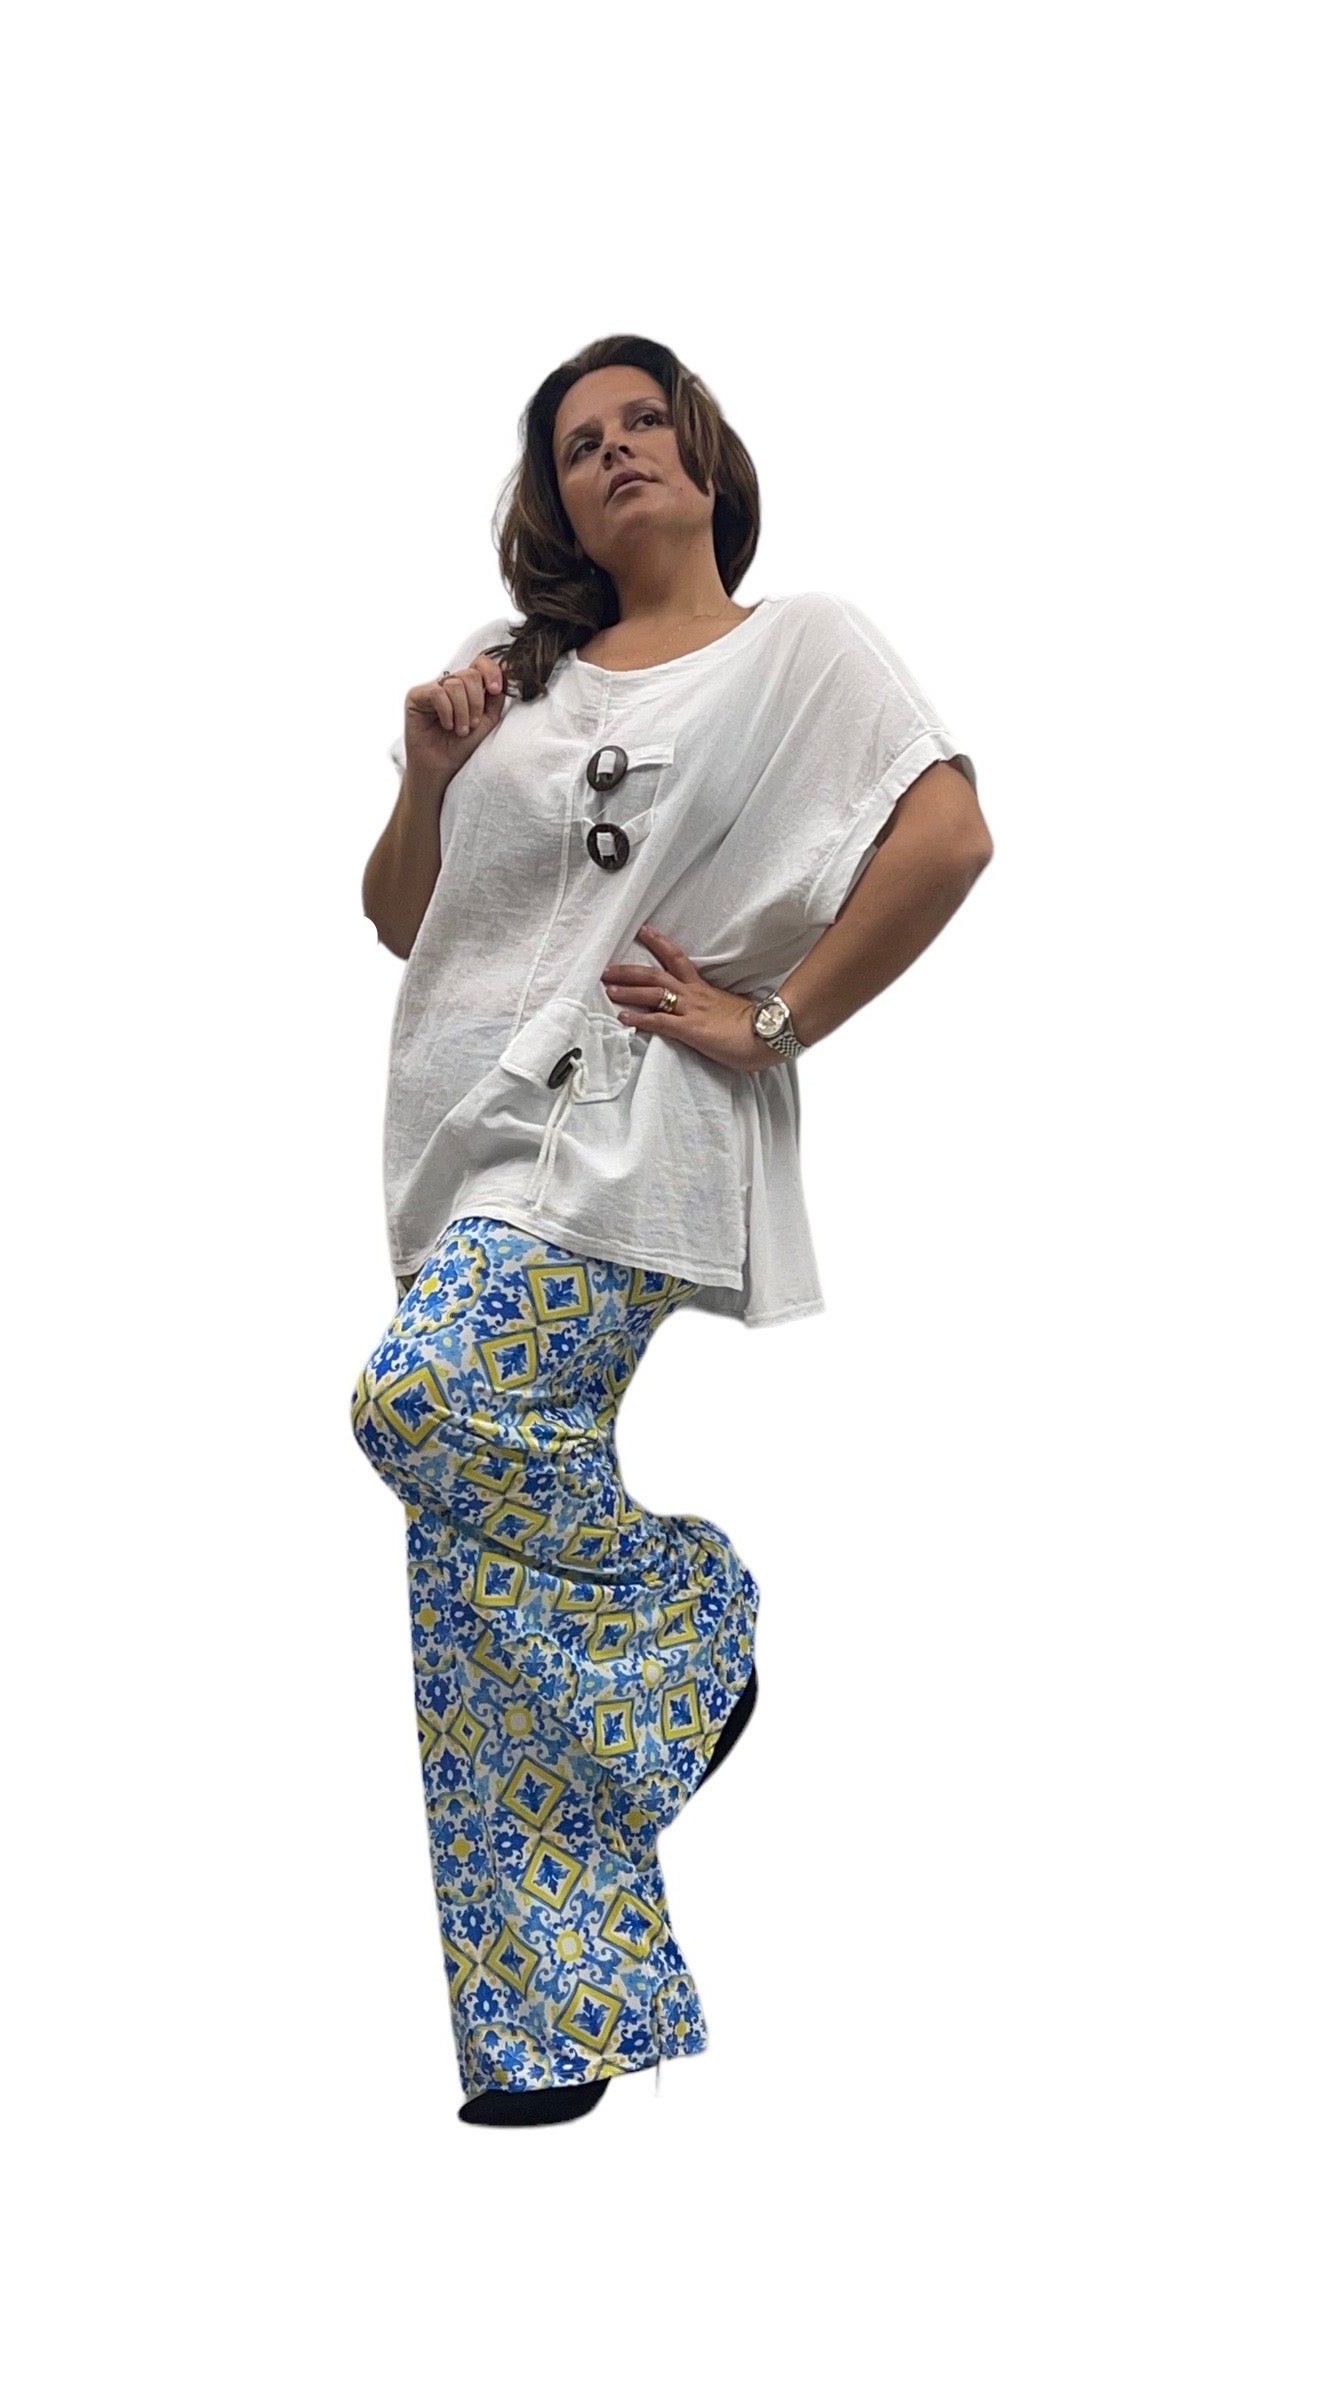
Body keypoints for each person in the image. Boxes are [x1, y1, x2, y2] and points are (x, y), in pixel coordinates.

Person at [350, 333, 993, 2127]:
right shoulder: (508, 678)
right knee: (476, 1599)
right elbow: (404, 919)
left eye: (647, 423)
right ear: (555, 506)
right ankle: (551, 2031)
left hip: (622, 1128)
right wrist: (426, 772)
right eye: (581, 444)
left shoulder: (802, 649)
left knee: (421, 1402)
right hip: (458, 1146)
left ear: (707, 458)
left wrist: (773, 1016)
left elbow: (947, 836)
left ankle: (685, 1622)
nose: (618, 451)